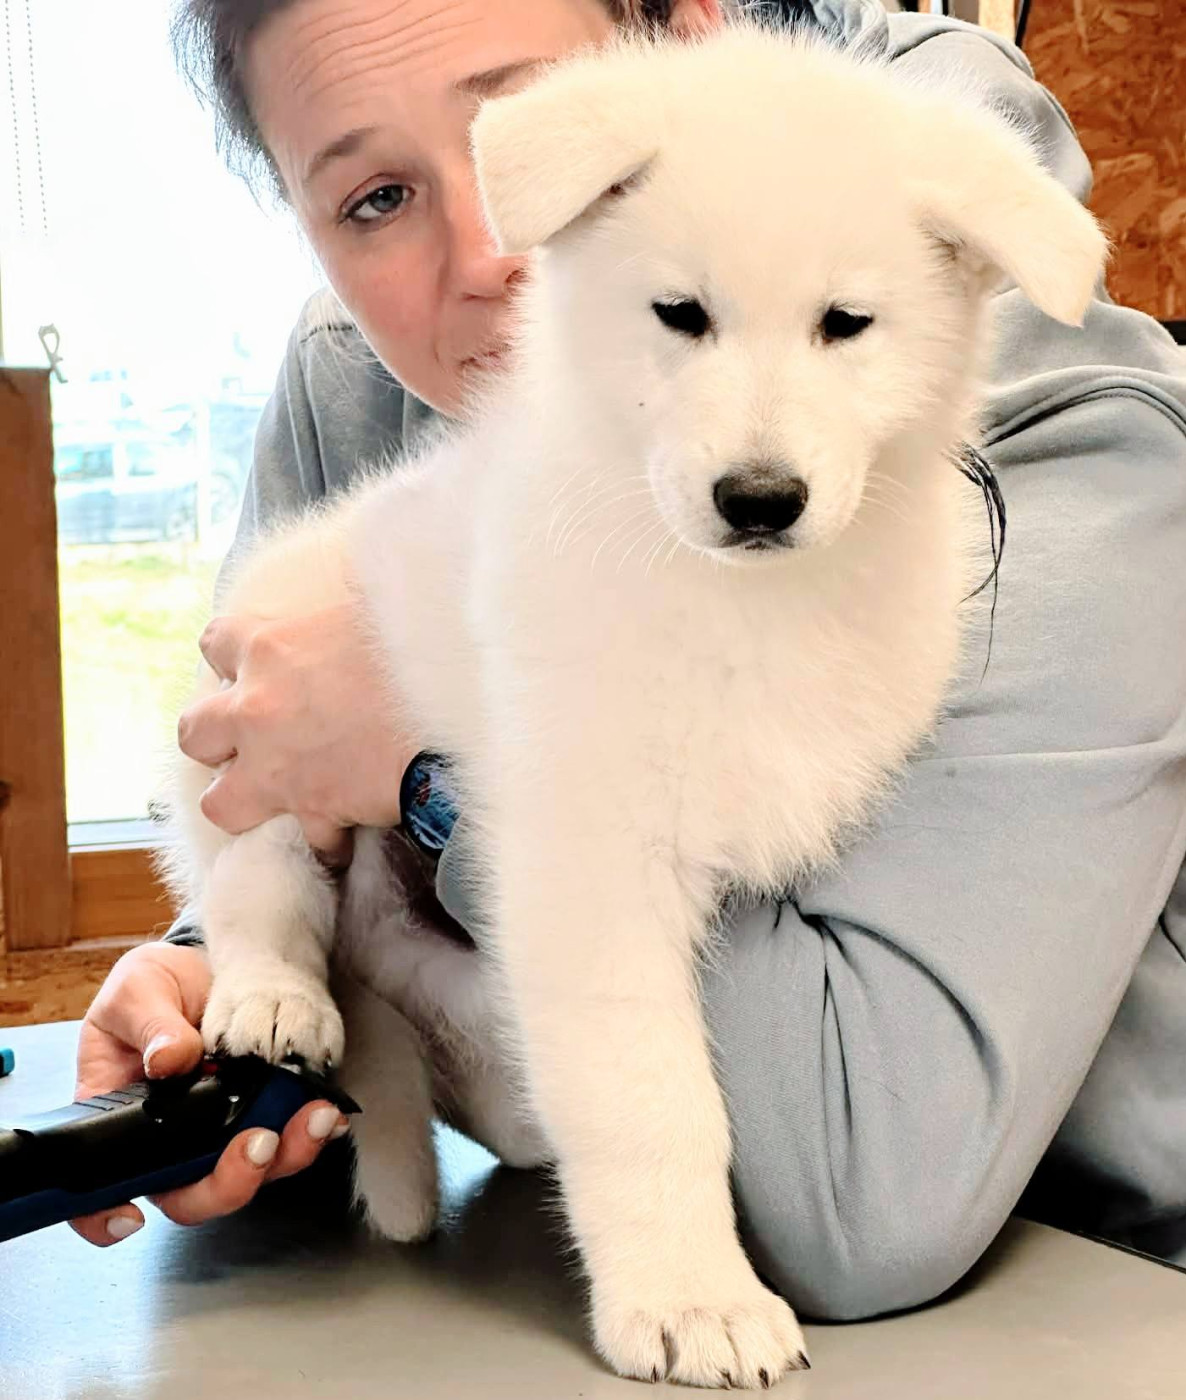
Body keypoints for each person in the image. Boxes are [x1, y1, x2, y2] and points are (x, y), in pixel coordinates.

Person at [72, 0, 1186, 1320]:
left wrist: (427, 774)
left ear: (684, 34)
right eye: (375, 196)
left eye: (516, 136)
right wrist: (232, 983)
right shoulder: (358, 386)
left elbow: (865, 1208)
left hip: (1084, 1293)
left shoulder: (1078, 459)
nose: (499, 250)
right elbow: (269, 785)